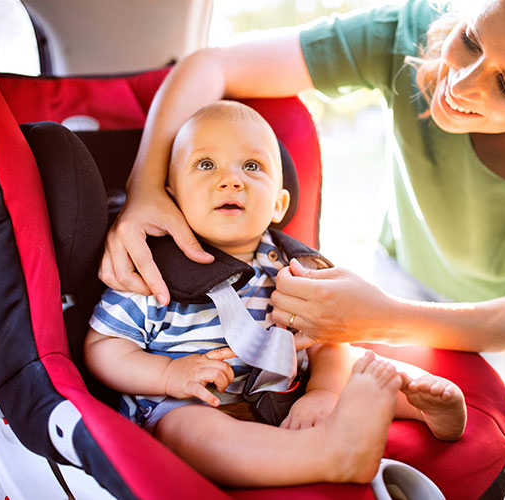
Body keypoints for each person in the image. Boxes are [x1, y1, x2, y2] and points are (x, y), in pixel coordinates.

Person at [98, 0, 505, 497]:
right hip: (401, 271)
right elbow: (209, 65)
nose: (458, 83)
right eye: (470, 38)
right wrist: (145, 190)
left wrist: (381, 322)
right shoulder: (407, 33)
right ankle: (339, 443)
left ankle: (427, 409)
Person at [85, 101, 467, 487]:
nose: (231, 180)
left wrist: (321, 394)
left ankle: (424, 406)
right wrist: (169, 374)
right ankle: (330, 455)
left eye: (251, 167)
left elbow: (327, 343)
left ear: (279, 204)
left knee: (356, 363)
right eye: (205, 165)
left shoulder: (296, 267)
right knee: (189, 432)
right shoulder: (150, 268)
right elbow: (103, 348)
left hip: (290, 391)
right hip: (188, 405)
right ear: (170, 195)